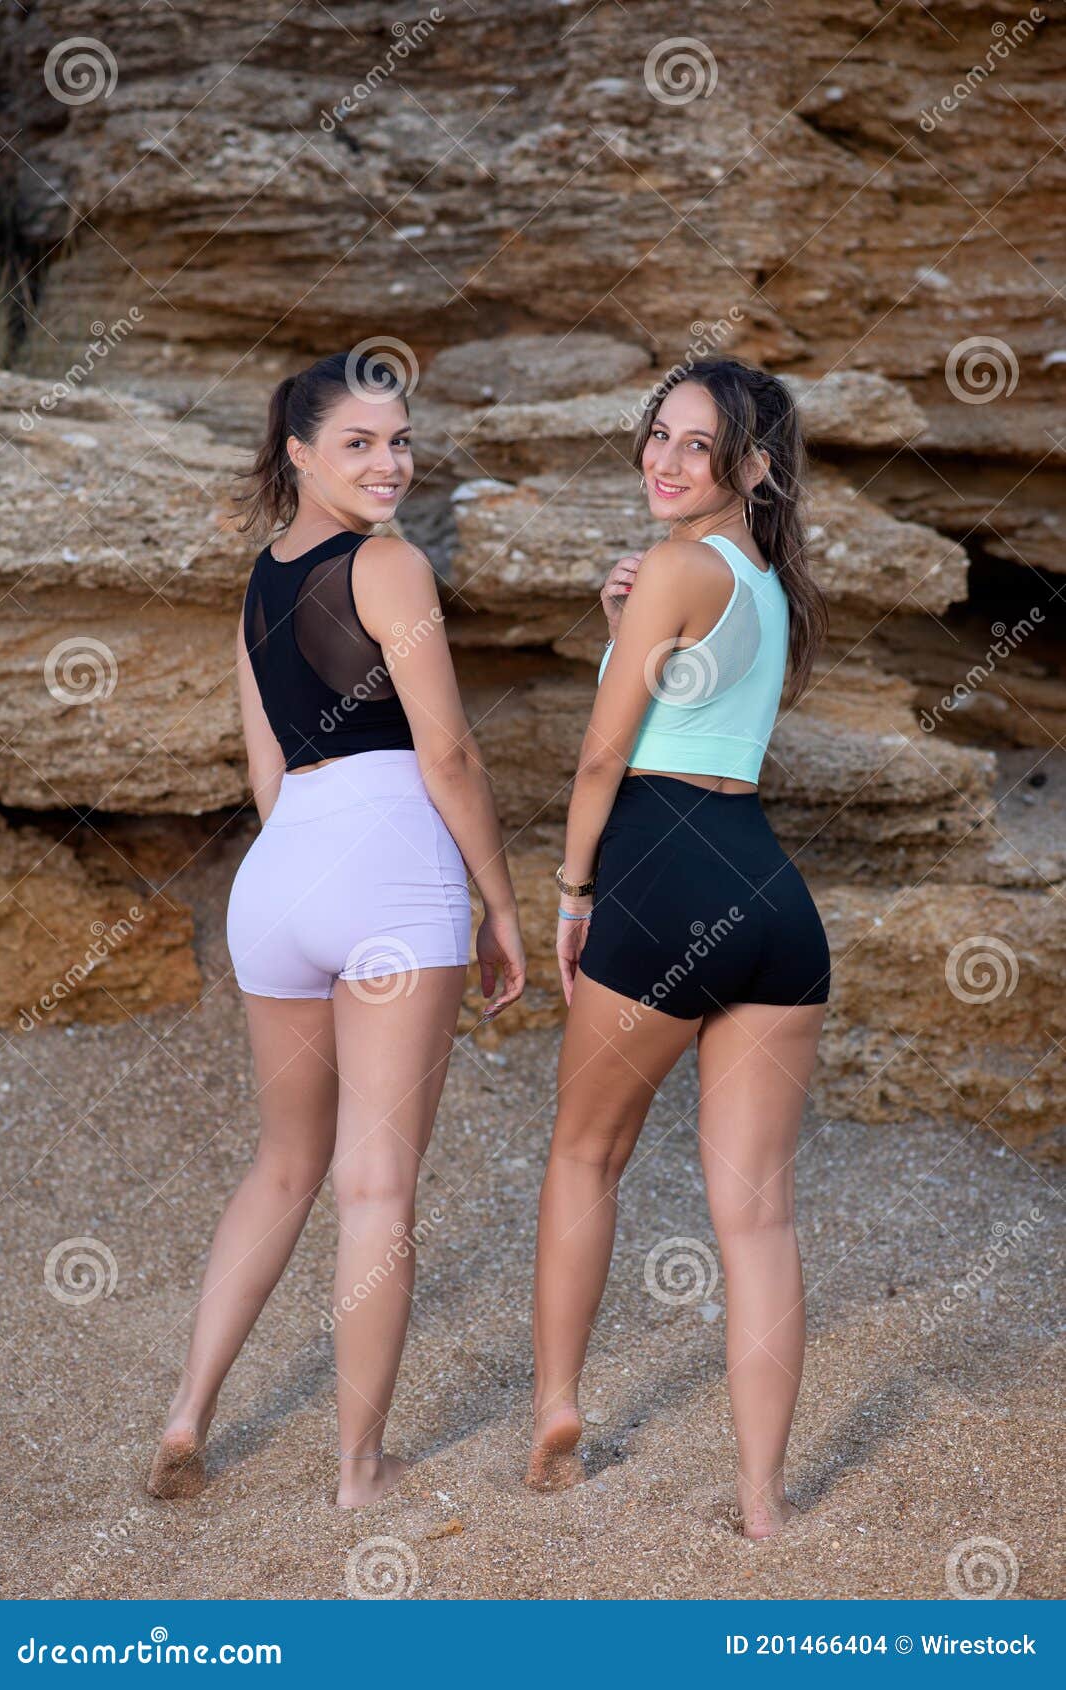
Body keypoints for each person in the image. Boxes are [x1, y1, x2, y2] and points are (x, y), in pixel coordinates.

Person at [146, 350, 525, 1509]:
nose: (389, 463)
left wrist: (308, 866)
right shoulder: (392, 565)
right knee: (374, 1187)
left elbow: (267, 772)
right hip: (388, 871)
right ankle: (360, 1473)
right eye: (359, 442)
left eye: (400, 440)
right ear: (299, 452)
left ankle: (187, 1412)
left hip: (280, 874)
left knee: (283, 1165)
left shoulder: (261, 579)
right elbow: (449, 752)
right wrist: (502, 900)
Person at [527, 355, 831, 1540]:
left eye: (694, 444)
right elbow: (699, 708)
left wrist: (569, 889)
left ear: (749, 466)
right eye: (656, 434)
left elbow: (609, 755)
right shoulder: (763, 579)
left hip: (658, 880)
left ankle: (558, 1410)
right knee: (757, 1216)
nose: (662, 458)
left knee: (584, 1157)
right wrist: (623, 626)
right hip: (770, 898)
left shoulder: (674, 565)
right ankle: (763, 1498)